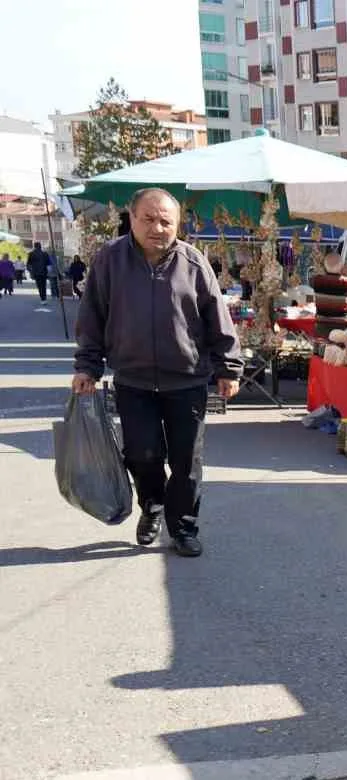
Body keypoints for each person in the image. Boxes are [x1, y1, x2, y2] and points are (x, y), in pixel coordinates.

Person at [72, 187, 241, 558]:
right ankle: (152, 505)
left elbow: (218, 319)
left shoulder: (193, 263)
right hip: (133, 379)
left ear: (178, 224)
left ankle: (183, 528)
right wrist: (87, 365)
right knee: (141, 454)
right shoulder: (109, 260)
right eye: (149, 219)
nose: (158, 227)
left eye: (166, 221)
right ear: (131, 219)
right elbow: (92, 317)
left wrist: (229, 368)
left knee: (186, 460)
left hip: (187, 380)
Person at [310, 250, 347, 340]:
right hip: (343, 329)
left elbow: (316, 276)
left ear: (325, 266)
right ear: (342, 266)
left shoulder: (316, 280)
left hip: (321, 328)